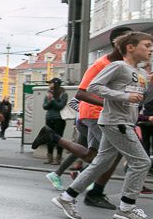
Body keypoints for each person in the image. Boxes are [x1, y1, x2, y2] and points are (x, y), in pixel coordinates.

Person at [50, 31, 153, 219]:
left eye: (152, 45)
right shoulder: (118, 66)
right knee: (142, 162)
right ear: (130, 47)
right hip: (115, 121)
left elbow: (141, 101)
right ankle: (127, 207)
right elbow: (93, 87)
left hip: (126, 120)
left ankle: (66, 197)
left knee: (101, 163)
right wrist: (123, 97)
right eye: (147, 45)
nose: (151, 49)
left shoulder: (142, 74)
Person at [41, 25, 133, 199]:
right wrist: (112, 102)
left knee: (91, 153)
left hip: (97, 116)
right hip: (93, 116)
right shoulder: (102, 64)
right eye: (129, 39)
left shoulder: (122, 65)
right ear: (117, 42)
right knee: (110, 155)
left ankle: (72, 178)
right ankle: (92, 190)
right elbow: (80, 94)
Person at [41, 78, 68, 165]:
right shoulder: (48, 94)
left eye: (51, 83)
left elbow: (60, 106)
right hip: (49, 118)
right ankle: (50, 158)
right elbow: (45, 106)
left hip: (59, 119)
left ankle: (58, 159)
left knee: (59, 139)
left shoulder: (63, 94)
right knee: (49, 138)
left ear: (56, 84)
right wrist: (50, 101)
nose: (49, 85)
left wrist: (52, 100)